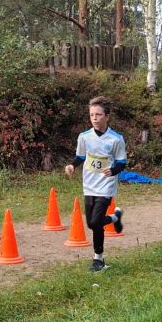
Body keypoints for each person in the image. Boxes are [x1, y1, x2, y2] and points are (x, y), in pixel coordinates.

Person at [65, 96, 126, 272]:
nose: (94, 118)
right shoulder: (84, 137)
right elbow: (81, 157)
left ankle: (98, 259)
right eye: (92, 114)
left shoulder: (116, 139)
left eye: (98, 114)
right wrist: (72, 165)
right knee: (92, 224)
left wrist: (112, 171)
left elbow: (121, 162)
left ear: (107, 116)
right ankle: (115, 217)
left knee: (96, 220)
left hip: (106, 185)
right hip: (89, 184)